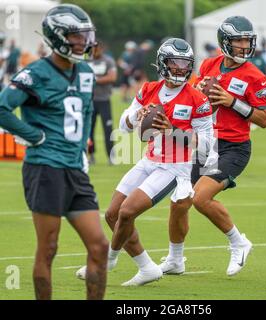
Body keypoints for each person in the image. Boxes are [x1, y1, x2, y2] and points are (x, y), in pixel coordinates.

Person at [76, 38, 215, 286]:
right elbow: (123, 126)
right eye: (175, 62)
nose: (181, 68)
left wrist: (172, 130)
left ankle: (107, 260)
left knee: (127, 212)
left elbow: (205, 145)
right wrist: (135, 117)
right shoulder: (149, 89)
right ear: (163, 63)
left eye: (185, 63)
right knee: (111, 214)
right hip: (149, 160)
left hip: (175, 167)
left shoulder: (197, 99)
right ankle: (147, 267)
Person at [0, 4, 109, 300]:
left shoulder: (85, 71)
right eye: (75, 36)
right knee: (48, 248)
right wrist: (32, 135)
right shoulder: (36, 72)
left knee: (99, 245)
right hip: (45, 167)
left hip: (74, 168)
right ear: (58, 37)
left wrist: (83, 147)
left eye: (85, 35)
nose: (83, 42)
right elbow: (2, 107)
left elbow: (86, 111)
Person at [160, 16, 266, 277]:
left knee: (200, 197)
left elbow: (265, 120)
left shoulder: (256, 77)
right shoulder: (210, 64)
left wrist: (233, 102)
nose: (245, 46)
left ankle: (238, 242)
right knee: (180, 200)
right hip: (205, 144)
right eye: (238, 40)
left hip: (234, 147)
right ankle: (175, 259)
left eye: (247, 40)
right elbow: (195, 98)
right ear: (224, 42)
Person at [88, 41, 117, 165]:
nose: (96, 50)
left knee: (108, 129)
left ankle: (111, 157)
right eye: (93, 48)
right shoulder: (86, 61)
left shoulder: (108, 61)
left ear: (102, 48)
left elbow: (112, 77)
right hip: (90, 101)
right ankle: (91, 156)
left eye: (98, 48)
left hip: (104, 100)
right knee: (89, 130)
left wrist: (94, 80)